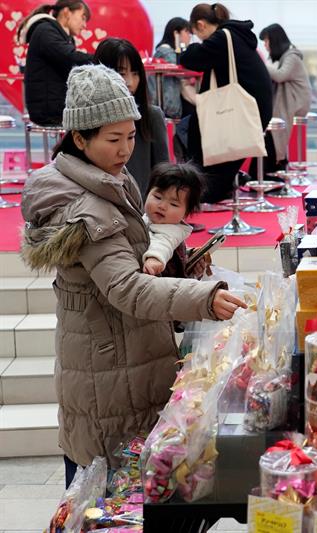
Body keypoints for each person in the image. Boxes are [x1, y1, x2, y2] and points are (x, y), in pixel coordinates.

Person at [20, 64, 246, 485]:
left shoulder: (106, 180)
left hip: (124, 354)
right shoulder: (86, 206)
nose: (125, 149)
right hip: (109, 369)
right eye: (113, 139)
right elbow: (125, 288)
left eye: (129, 137)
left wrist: (178, 267)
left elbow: (132, 260)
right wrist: (202, 298)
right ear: (80, 137)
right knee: (106, 495)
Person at [179, 2, 276, 203]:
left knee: (201, 142)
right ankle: (215, 194)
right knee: (217, 154)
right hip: (252, 107)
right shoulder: (235, 35)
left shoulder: (222, 39)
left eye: (196, 33)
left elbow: (191, 58)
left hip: (243, 109)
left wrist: (186, 46)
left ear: (201, 25)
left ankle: (206, 196)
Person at [95, 38, 170, 195]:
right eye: (121, 73)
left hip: (140, 212)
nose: (129, 82)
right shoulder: (91, 119)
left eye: (135, 73)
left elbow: (164, 173)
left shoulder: (151, 116)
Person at [16, 0, 93, 126]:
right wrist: (104, 57)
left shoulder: (61, 36)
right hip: (48, 112)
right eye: (82, 18)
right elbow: (70, 58)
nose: (84, 25)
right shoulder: (46, 31)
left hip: (55, 107)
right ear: (67, 12)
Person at [260, 23, 311, 167]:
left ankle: (278, 160)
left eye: (266, 41)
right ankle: (277, 161)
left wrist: (261, 64)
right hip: (291, 99)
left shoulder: (292, 57)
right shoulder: (287, 56)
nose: (265, 45)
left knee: (273, 125)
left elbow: (280, 76)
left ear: (275, 40)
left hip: (297, 102)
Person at [142, 163, 204, 276]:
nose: (162, 206)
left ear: (186, 213)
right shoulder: (147, 218)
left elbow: (162, 244)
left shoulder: (171, 231)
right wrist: (189, 259)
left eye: (173, 204)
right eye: (157, 197)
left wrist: (155, 259)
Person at [149, 17, 196, 119]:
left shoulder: (166, 51)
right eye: (187, 32)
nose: (189, 36)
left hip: (168, 105)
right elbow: (181, 70)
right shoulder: (166, 52)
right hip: (168, 106)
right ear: (176, 33)